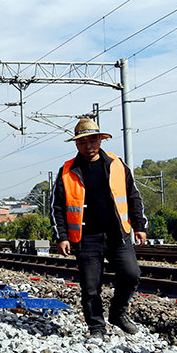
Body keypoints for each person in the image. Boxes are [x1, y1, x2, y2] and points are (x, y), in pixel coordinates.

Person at [51, 118, 147, 340]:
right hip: (85, 238)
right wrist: (61, 236)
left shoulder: (116, 164)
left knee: (131, 274)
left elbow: (133, 196)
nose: (89, 145)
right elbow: (56, 206)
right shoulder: (67, 170)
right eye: (83, 142)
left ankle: (117, 313)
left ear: (101, 140)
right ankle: (96, 327)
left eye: (93, 140)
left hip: (117, 234)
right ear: (77, 144)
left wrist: (139, 225)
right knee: (90, 287)